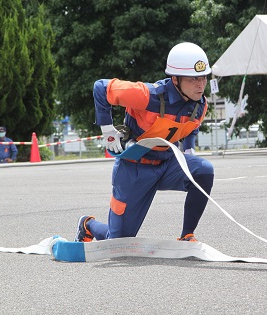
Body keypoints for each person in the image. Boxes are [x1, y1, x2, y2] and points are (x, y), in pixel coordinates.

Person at [75, 42, 215, 243]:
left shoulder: (199, 105)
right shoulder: (148, 96)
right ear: (175, 79)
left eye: (203, 77)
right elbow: (101, 87)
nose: (201, 84)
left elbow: (191, 126)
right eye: (193, 79)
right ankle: (87, 225)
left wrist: (190, 148)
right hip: (134, 169)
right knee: (119, 241)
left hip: (167, 165)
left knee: (204, 170)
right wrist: (108, 130)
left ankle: (187, 236)